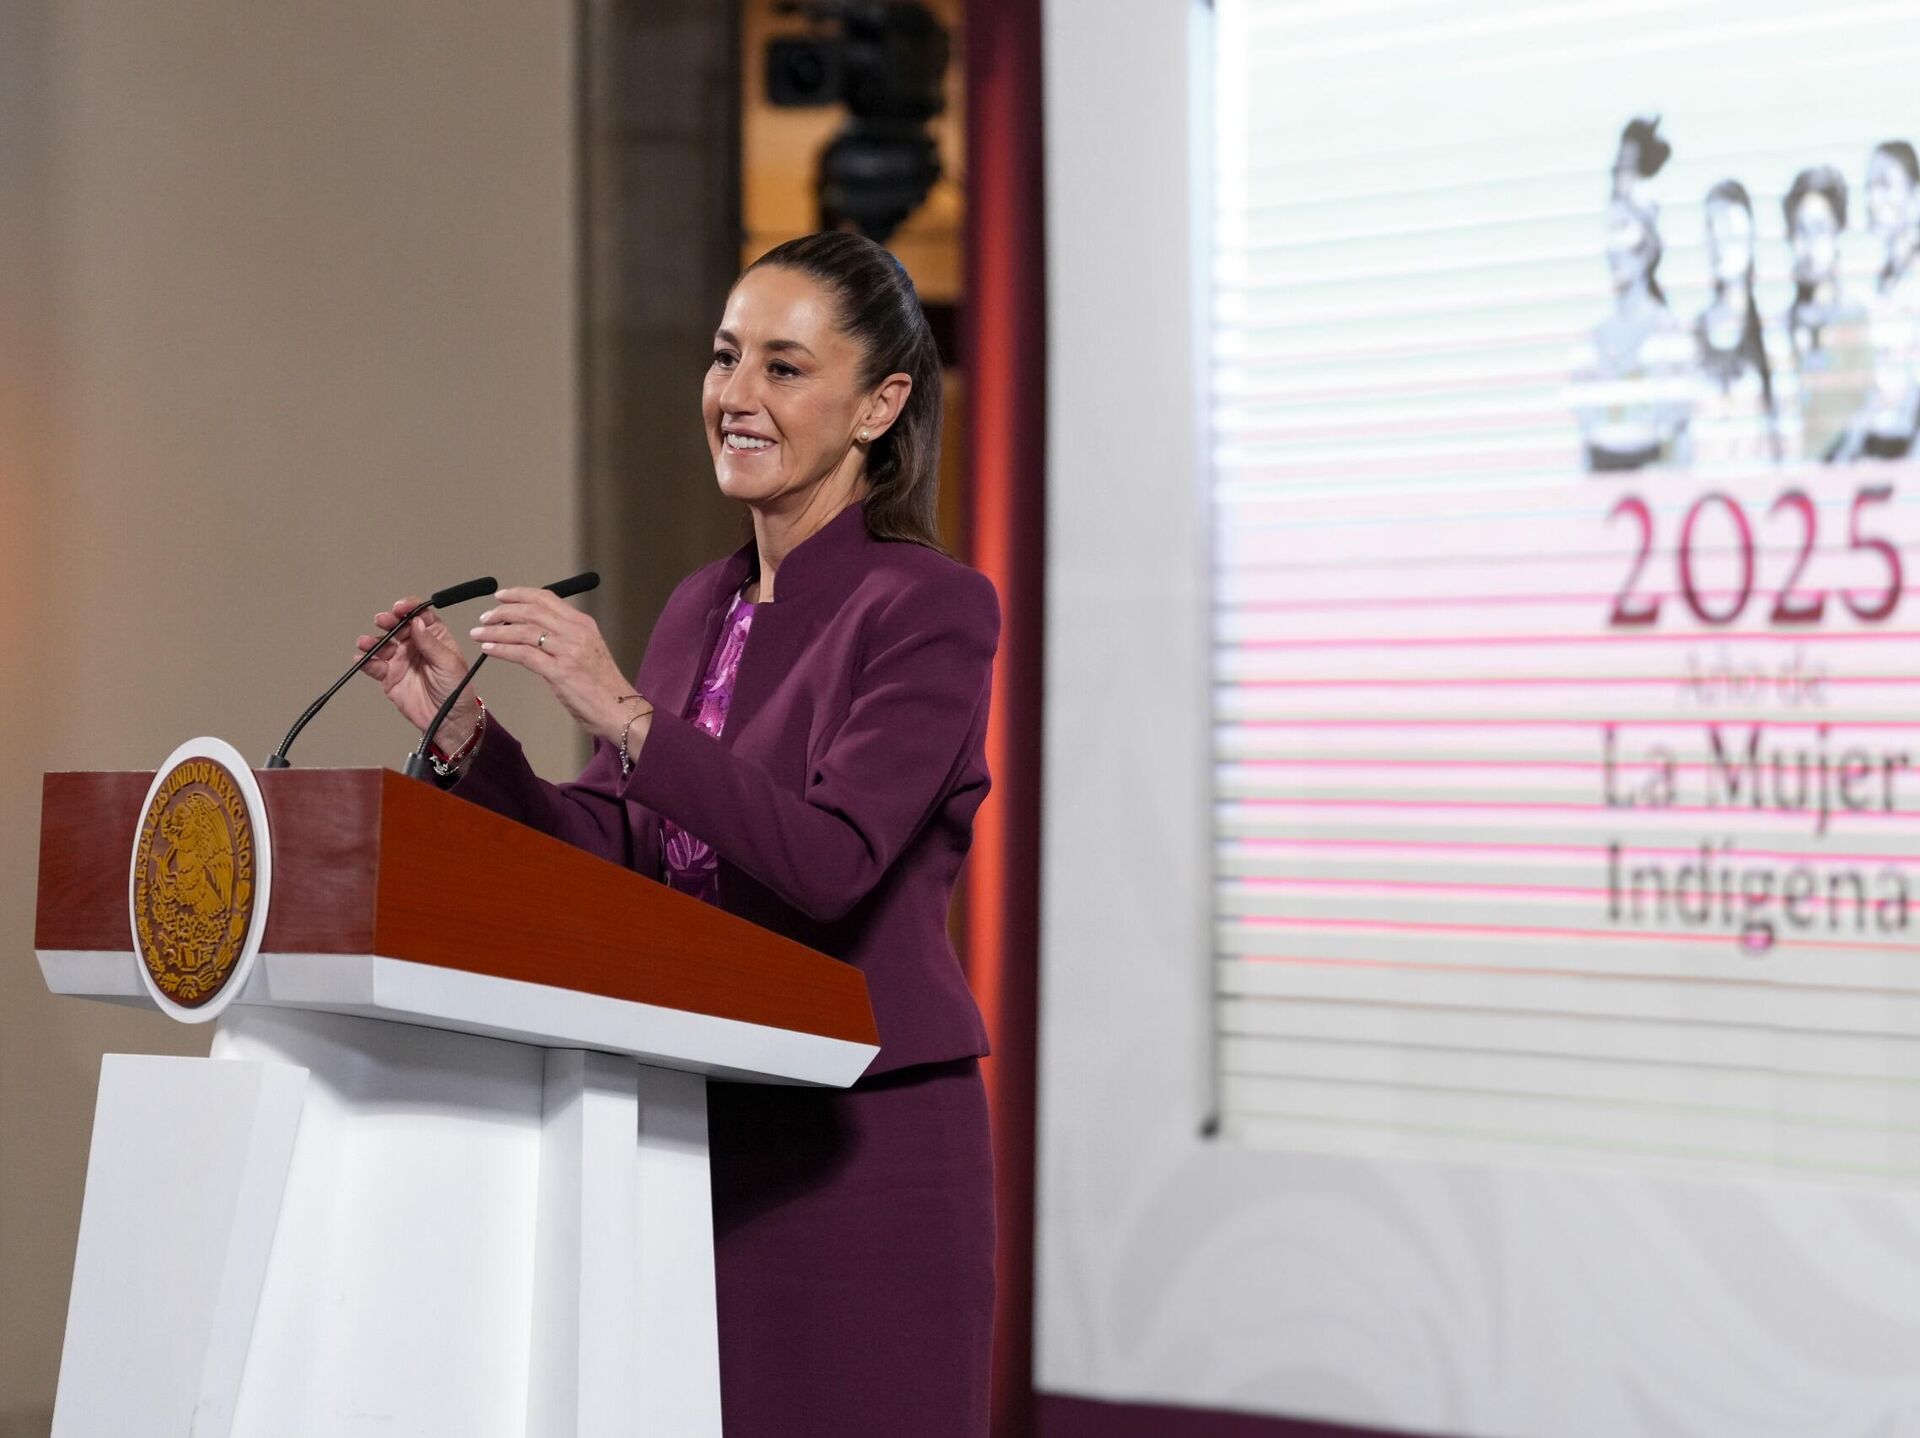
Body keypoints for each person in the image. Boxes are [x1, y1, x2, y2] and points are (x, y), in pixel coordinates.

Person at [353, 230, 1000, 1437]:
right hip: (689, 1129)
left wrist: (630, 716)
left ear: (880, 405)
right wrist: (467, 736)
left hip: (859, 1148)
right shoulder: (702, 604)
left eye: (784, 367)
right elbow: (628, 851)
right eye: (724, 355)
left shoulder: (931, 608)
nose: (736, 394)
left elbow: (829, 862)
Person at [1571, 117, 1694, 471]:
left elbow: (1680, 453)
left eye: (1624, 226)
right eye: (1611, 226)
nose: (1614, 246)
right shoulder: (1591, 344)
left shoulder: (1671, 340)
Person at [1834, 140, 1920, 460]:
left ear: (1916, 196)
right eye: (1869, 187)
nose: (1872, 199)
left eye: (1884, 185)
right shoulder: (1880, 287)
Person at [1780, 163, 1871, 462]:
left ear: (1838, 233)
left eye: (1819, 229)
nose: (1808, 246)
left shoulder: (1860, 320)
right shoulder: (1780, 329)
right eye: (1800, 231)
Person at [1692, 178, 1784, 467]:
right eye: (1713, 230)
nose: (1721, 245)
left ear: (1751, 238)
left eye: (1730, 233)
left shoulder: (1773, 334)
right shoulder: (1688, 336)